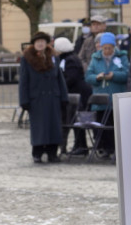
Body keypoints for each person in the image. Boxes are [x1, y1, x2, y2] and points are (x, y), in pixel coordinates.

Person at [19, 32, 68, 163]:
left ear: (47, 43)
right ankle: (38, 152)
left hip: (53, 97)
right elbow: (23, 81)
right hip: (37, 98)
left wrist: (64, 96)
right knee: (39, 127)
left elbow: (60, 79)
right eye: (37, 41)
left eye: (43, 41)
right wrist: (24, 100)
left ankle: (52, 152)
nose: (40, 44)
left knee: (53, 126)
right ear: (33, 44)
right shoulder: (26, 59)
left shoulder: (54, 57)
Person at [85, 32, 129, 158]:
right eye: (105, 48)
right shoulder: (95, 58)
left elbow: (127, 74)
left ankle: (116, 149)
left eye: (110, 48)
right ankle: (103, 148)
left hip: (115, 97)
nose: (107, 50)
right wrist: (97, 78)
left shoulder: (122, 57)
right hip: (100, 99)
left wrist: (113, 76)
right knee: (101, 126)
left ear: (114, 47)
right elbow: (88, 76)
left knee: (115, 126)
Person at [53, 37, 91, 157]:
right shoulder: (65, 59)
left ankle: (81, 146)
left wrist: (61, 87)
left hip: (77, 93)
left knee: (77, 120)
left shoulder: (71, 60)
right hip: (72, 93)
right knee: (73, 121)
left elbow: (71, 78)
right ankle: (77, 145)